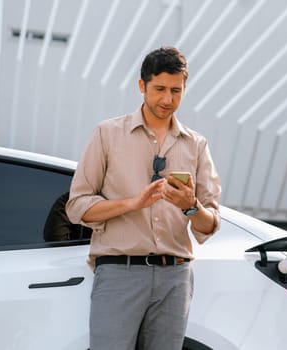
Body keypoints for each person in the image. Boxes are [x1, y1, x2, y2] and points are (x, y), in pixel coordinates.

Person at [66, 46, 221, 350]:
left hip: (175, 278)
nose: (167, 99)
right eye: (159, 89)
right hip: (119, 273)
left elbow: (210, 223)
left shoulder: (197, 145)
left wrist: (190, 206)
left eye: (176, 91)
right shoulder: (107, 134)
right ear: (142, 86)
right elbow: (77, 206)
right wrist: (132, 204)